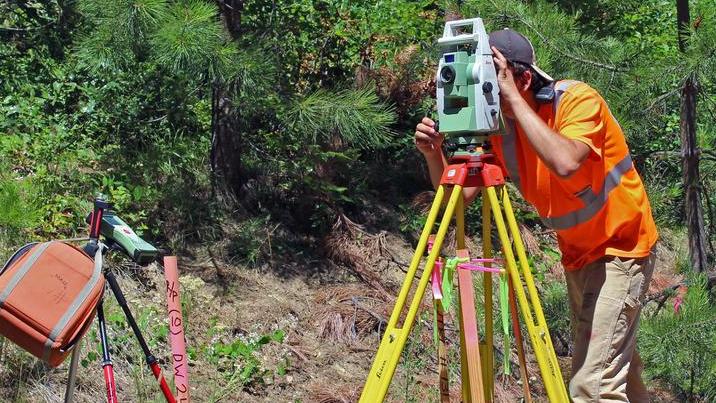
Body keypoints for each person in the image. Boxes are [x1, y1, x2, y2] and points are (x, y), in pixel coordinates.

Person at [414, 28, 658, 402]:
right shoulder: (502, 127)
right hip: (579, 256)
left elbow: (564, 163)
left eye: (492, 81)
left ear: (522, 77)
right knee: (619, 376)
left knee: (592, 387)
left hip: (621, 250)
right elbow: (458, 199)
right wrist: (435, 155)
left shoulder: (577, 101)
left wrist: (510, 96)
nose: (487, 95)